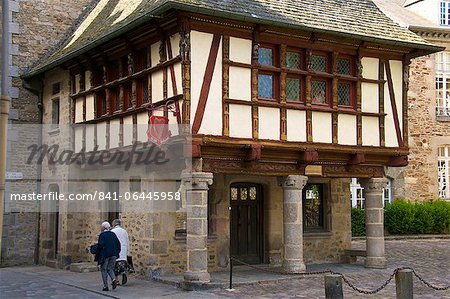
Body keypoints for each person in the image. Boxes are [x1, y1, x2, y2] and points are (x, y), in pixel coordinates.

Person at [97, 221, 121, 291]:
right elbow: (118, 244)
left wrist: (97, 253)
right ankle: (113, 279)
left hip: (105, 255)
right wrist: (117, 253)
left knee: (103, 269)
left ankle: (105, 286)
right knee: (110, 268)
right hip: (114, 254)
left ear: (104, 227)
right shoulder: (113, 234)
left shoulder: (102, 235)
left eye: (101, 227)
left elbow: (100, 245)